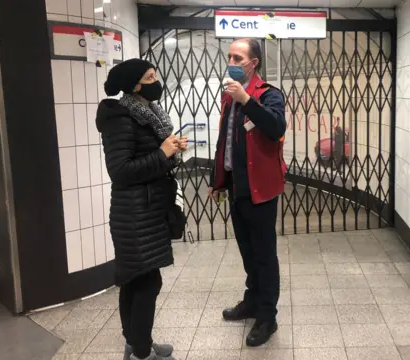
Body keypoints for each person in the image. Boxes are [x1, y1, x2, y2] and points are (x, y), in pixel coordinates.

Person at [96, 58, 188, 360]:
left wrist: (170, 149)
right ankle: (140, 351)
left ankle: (137, 342)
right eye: (149, 77)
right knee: (147, 281)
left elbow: (149, 156)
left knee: (135, 279)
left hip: (147, 211)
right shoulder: (121, 118)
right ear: (135, 85)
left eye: (155, 74)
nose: (156, 81)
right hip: (134, 214)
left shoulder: (146, 114)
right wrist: (162, 152)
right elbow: (120, 170)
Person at [208, 38, 287, 347]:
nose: (231, 61)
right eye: (229, 56)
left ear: (253, 63)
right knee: (247, 251)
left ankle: (267, 316)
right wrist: (218, 180)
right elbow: (225, 143)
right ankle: (252, 301)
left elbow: (275, 127)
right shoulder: (228, 99)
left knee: (264, 255)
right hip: (238, 187)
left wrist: (246, 99)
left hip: (261, 191)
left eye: (238, 57)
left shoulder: (269, 95)